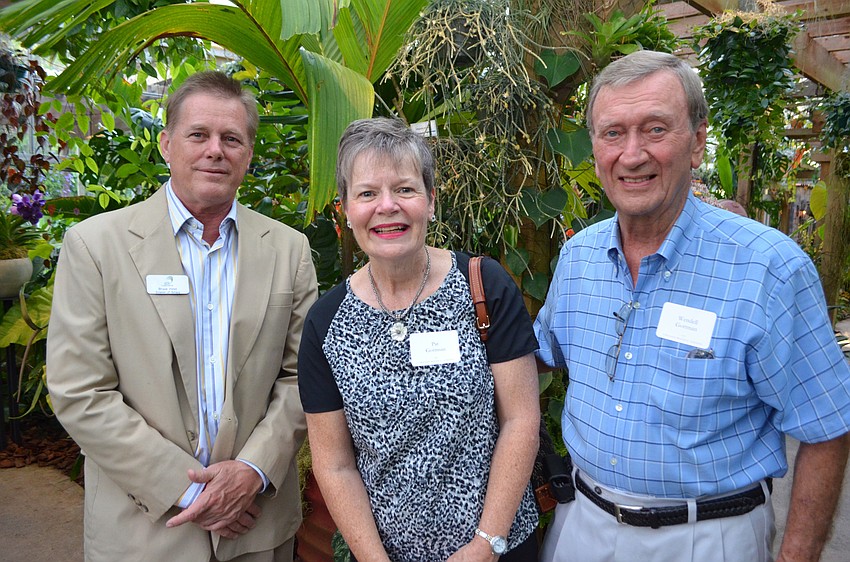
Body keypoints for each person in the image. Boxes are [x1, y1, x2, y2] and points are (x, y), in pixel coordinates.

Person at [534, 50, 850, 562]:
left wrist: (797, 556)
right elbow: (538, 352)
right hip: (581, 527)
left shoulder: (768, 268)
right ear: (594, 147)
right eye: (613, 133)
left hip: (707, 538)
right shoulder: (578, 256)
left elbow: (827, 426)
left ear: (698, 142)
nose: (632, 154)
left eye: (655, 129)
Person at [46, 71, 318, 561]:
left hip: (256, 529)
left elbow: (304, 376)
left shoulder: (288, 250)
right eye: (199, 135)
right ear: (167, 144)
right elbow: (79, 391)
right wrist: (196, 492)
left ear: (248, 155)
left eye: (231, 138)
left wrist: (252, 472)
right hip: (144, 532)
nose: (215, 150)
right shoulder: (95, 246)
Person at [298, 117, 540, 561]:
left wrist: (485, 544)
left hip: (496, 549)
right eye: (367, 193)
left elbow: (521, 421)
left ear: (430, 201)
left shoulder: (482, 286)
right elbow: (333, 464)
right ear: (345, 210)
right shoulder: (326, 322)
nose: (387, 207)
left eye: (405, 190)